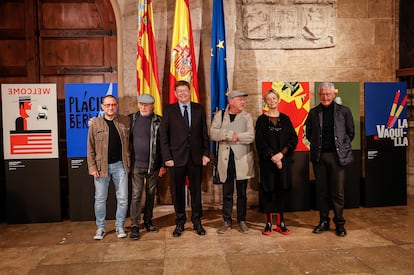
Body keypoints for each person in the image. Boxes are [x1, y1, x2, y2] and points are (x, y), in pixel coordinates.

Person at [160, 80, 210, 237]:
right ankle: (180, 222)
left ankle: (197, 222)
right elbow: (163, 137)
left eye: (185, 90)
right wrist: (167, 157)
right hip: (176, 159)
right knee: (178, 192)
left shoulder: (199, 109)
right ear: (175, 94)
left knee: (196, 192)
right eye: (179, 91)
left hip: (196, 159)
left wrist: (206, 154)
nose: (182, 93)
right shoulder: (169, 110)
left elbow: (204, 134)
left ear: (190, 91)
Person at [305, 82, 355, 237]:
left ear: (333, 94)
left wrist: (342, 148)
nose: (325, 97)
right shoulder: (313, 112)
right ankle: (323, 221)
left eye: (328, 94)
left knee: (338, 192)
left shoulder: (344, 111)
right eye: (322, 94)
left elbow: (350, 133)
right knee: (322, 191)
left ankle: (339, 223)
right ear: (319, 95)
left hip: (337, 157)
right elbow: (308, 134)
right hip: (319, 157)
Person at [210, 90, 255, 234]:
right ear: (231, 101)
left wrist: (237, 136)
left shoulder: (246, 116)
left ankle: (241, 220)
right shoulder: (220, 115)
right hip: (226, 160)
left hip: (242, 160)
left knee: (242, 193)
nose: (243, 102)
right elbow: (213, 133)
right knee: (227, 192)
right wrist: (229, 134)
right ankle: (226, 221)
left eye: (243, 100)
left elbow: (251, 136)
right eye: (240, 99)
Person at [87, 95, 131, 240]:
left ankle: (120, 226)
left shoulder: (125, 121)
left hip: (121, 166)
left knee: (123, 198)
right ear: (102, 106)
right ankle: (101, 227)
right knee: (100, 198)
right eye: (107, 105)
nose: (110, 107)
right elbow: (90, 147)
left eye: (113, 104)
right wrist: (92, 167)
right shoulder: (95, 124)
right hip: (101, 168)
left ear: (116, 105)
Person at [255, 90, 298, 236]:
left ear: (279, 100)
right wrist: (272, 156)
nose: (272, 101)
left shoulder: (285, 119)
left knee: (281, 191)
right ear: (265, 102)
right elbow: (260, 142)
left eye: (274, 98)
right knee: (268, 191)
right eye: (269, 99)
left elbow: (293, 139)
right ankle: (268, 223)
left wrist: (281, 155)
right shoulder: (261, 120)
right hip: (268, 163)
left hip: (283, 161)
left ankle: (281, 223)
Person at [129, 94, 167, 240]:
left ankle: (148, 221)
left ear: (153, 106)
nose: (143, 107)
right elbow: (114, 124)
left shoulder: (159, 121)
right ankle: (134, 225)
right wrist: (94, 121)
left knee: (151, 194)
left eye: (147, 104)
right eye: (141, 104)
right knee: (136, 195)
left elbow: (164, 144)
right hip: (136, 166)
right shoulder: (131, 119)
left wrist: (163, 164)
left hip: (153, 166)